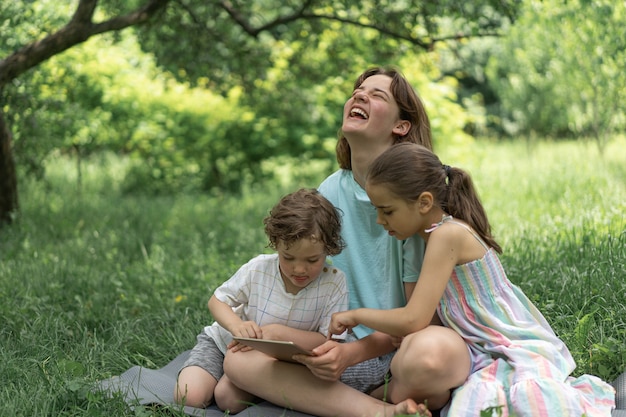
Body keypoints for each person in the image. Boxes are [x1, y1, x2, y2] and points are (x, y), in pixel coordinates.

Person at [327, 142, 616, 416]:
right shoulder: (431, 235)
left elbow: (414, 318)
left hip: (498, 340)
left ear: (424, 202)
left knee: (509, 396)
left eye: (387, 210)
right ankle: (389, 399)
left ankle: (372, 401)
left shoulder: (446, 235)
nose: (380, 220)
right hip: (472, 342)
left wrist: (356, 315)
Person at [222, 66, 440, 416]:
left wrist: (350, 354)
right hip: (328, 343)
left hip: (386, 347)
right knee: (236, 369)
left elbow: (416, 321)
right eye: (357, 91)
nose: (359, 95)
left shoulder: (411, 205)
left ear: (401, 126)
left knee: (429, 370)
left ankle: (362, 403)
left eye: (377, 95)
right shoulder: (331, 190)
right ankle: (380, 407)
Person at [174, 188, 349, 412]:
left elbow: (329, 343)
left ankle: (239, 382)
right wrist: (237, 326)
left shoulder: (334, 283)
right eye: (288, 257)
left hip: (267, 361)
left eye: (312, 259)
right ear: (276, 244)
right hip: (222, 344)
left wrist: (280, 334)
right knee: (188, 397)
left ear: (329, 249)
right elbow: (217, 301)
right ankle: (209, 373)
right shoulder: (259, 268)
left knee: (229, 400)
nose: (299, 268)